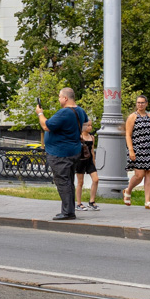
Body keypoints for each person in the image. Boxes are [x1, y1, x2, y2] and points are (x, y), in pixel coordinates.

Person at [37, 88, 89, 221]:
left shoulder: (64, 112)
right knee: (69, 181)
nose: (59, 99)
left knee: (63, 182)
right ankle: (69, 210)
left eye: (60, 97)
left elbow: (46, 126)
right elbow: (86, 124)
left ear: (65, 98)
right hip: (74, 151)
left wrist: (40, 113)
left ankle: (67, 212)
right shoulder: (80, 111)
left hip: (60, 153)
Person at [123, 95, 150, 209]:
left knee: (149, 174)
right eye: (138, 103)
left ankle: (147, 201)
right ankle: (128, 190)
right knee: (139, 175)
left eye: (142, 103)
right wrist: (131, 150)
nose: (140, 105)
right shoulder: (132, 117)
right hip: (137, 149)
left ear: (146, 103)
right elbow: (128, 134)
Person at [75, 111, 100, 211]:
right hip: (80, 161)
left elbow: (92, 151)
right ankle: (79, 203)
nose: (90, 127)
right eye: (88, 125)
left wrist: (94, 163)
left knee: (96, 179)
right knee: (80, 182)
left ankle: (92, 201)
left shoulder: (92, 137)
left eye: (91, 125)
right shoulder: (79, 137)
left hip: (89, 161)